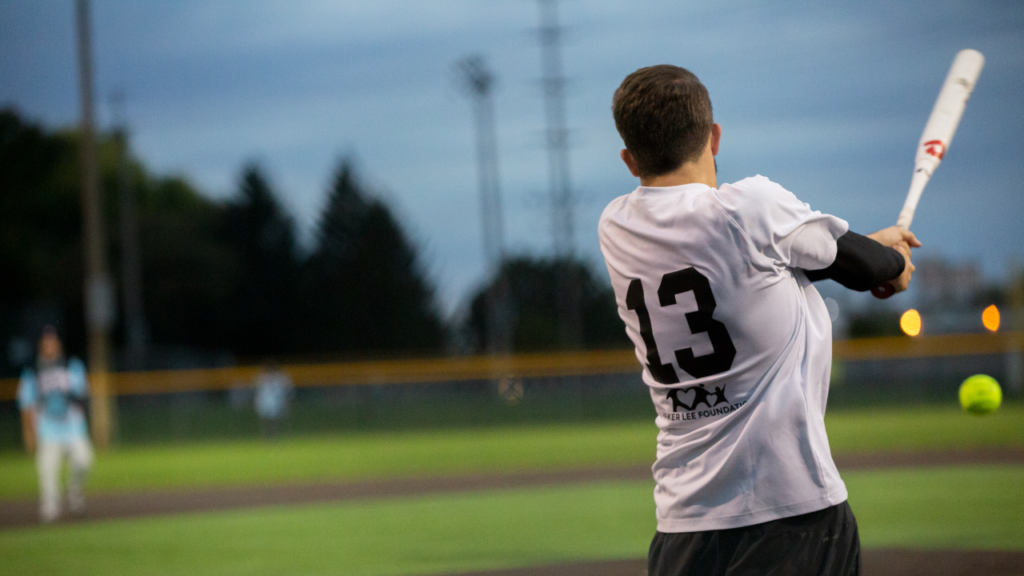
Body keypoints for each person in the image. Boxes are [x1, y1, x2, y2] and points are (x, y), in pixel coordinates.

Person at [598, 65, 919, 575]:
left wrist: (864, 249)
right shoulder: (750, 208)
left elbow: (756, 276)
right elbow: (864, 267)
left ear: (629, 159)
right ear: (714, 137)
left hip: (683, 529)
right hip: (792, 516)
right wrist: (895, 261)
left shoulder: (616, 226)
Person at [17, 326, 94, 523]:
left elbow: (83, 394)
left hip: (72, 426)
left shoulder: (71, 365)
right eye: (46, 344)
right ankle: (50, 510)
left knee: (84, 460)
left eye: (53, 343)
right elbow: (26, 404)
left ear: (59, 344)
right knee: (47, 469)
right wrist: (29, 433)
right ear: (41, 346)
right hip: (48, 428)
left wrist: (84, 416)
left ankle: (74, 495)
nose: (50, 347)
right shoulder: (32, 370)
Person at [254, 361, 293, 438]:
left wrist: (286, 399)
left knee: (275, 419)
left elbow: (288, 388)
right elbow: (256, 389)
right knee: (265, 419)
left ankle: (275, 434)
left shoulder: (280, 377)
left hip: (275, 400)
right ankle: (266, 435)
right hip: (264, 400)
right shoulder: (262, 377)